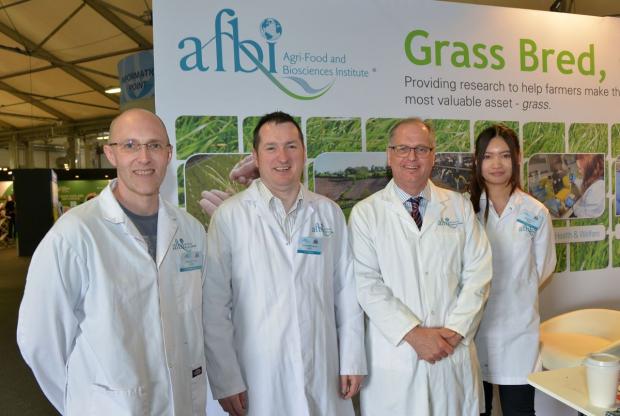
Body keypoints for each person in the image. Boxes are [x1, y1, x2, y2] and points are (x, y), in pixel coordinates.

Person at [17, 109, 208, 416]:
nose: (144, 157)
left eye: (155, 145)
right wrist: (83, 399)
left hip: (180, 401)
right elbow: (40, 338)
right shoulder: (75, 234)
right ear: (110, 153)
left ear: (169, 154)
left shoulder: (190, 230)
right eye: (130, 145)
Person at [204, 111, 366, 416]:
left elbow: (347, 292)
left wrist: (352, 359)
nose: (282, 156)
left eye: (291, 146)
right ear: (255, 156)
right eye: (271, 148)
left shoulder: (328, 213)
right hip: (258, 375)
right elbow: (214, 306)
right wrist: (226, 379)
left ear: (304, 152)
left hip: (322, 366)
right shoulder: (230, 216)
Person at [348, 118, 492, 415]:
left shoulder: (458, 206)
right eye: (402, 149)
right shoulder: (366, 214)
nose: (411, 157)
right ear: (389, 155)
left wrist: (453, 332)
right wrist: (415, 336)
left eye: (421, 149)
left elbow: (479, 273)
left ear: (433, 156)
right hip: (397, 356)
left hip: (451, 353)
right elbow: (367, 285)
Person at [470, 125, 556, 416]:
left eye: (505, 155)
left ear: (517, 158)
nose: (497, 164)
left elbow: (542, 268)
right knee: (477, 409)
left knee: (519, 411)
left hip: (519, 331)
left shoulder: (535, 212)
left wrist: (517, 289)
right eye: (489, 156)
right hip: (473, 328)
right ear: (477, 160)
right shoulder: (463, 210)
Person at [571, 153, 605, 217]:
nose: (579, 171)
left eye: (580, 168)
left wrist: (574, 206)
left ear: (589, 169)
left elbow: (586, 215)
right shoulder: (595, 177)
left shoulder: (597, 189)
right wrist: (575, 180)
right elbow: (587, 184)